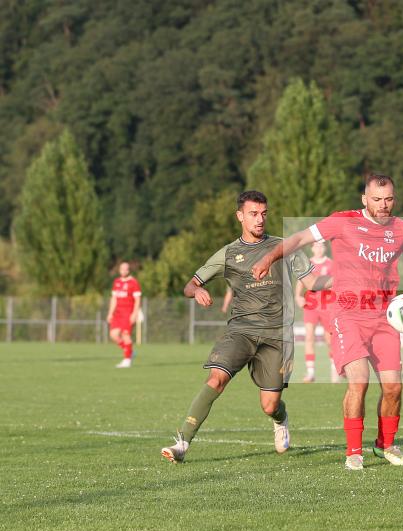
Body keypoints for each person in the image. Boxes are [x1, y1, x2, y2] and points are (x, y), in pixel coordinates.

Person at [251, 173, 403, 470]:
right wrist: (269, 258)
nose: (383, 205)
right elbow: (299, 238)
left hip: (385, 318)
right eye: (377, 199)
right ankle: (353, 451)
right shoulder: (343, 221)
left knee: (393, 388)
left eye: (388, 199)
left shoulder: (401, 230)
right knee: (359, 381)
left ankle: (386, 445)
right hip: (347, 314)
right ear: (365, 199)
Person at [160, 190, 328, 464]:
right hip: (241, 330)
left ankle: (280, 417)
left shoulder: (284, 247)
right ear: (240, 216)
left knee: (269, 405)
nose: (259, 219)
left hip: (277, 336)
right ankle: (182, 443)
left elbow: (313, 284)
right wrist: (197, 291)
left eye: (263, 213)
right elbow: (190, 284)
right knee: (216, 379)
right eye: (253, 214)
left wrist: (346, 279)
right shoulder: (229, 253)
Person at [295, 241, 339, 383]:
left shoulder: (331, 264)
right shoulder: (307, 263)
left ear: (325, 248)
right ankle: (310, 373)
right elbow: (301, 281)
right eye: (316, 246)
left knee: (329, 339)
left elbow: (336, 282)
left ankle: (335, 370)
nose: (319, 249)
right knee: (309, 336)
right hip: (311, 305)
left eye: (321, 246)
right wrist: (298, 296)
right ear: (312, 248)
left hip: (328, 305)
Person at [107, 261, 142, 368]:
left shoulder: (134, 283)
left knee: (126, 335)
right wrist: (110, 313)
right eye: (122, 269)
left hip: (128, 313)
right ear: (119, 270)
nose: (124, 271)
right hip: (118, 313)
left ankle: (127, 360)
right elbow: (114, 299)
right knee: (113, 335)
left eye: (126, 269)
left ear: (129, 270)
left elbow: (137, 300)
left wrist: (134, 314)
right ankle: (129, 351)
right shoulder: (116, 282)